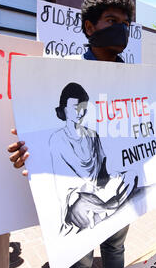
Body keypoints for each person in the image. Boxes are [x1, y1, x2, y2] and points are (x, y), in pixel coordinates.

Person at [8, 0, 136, 268]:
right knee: (80, 263)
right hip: (77, 202)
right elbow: (36, 131)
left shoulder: (134, 79)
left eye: (126, 24)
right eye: (112, 21)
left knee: (115, 249)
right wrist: (27, 147)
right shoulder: (60, 74)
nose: (121, 29)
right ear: (90, 27)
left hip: (116, 189)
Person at [50, 82, 137, 235]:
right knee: (83, 209)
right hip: (80, 196)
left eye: (83, 107)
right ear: (64, 108)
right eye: (75, 107)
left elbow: (103, 165)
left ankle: (103, 210)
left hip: (100, 191)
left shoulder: (92, 134)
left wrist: (112, 178)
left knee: (131, 175)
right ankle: (102, 211)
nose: (79, 112)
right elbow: (65, 179)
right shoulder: (57, 139)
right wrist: (85, 194)